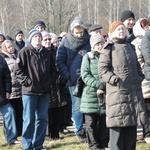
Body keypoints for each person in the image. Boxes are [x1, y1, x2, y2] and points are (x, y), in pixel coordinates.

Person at [98, 21, 148, 150]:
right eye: (118, 29)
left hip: (133, 94)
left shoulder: (130, 47)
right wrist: (115, 80)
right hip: (117, 95)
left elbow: (137, 65)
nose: (121, 31)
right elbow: (103, 70)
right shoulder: (108, 48)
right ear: (113, 32)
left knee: (131, 132)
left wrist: (139, 76)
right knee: (118, 134)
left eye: (123, 29)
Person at [14, 29, 56, 150]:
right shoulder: (24, 52)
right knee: (28, 119)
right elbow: (18, 71)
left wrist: (50, 81)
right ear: (31, 39)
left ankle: (38, 144)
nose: (38, 38)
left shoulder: (47, 53)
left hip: (44, 91)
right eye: (35, 36)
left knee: (42, 119)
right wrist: (28, 82)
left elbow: (53, 70)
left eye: (39, 36)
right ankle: (27, 145)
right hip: (30, 92)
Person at [56, 17, 91, 142]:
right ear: (72, 31)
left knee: (89, 105)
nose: (79, 35)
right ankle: (79, 129)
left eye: (81, 32)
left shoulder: (90, 40)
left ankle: (90, 129)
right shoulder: (65, 42)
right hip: (73, 79)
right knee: (77, 106)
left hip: (89, 79)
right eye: (77, 33)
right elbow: (60, 61)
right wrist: (68, 75)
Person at [80, 34, 109, 150]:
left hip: (105, 94)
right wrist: (98, 84)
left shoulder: (108, 56)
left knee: (104, 122)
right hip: (90, 95)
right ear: (93, 45)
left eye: (102, 43)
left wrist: (105, 85)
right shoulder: (87, 57)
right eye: (97, 44)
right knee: (90, 123)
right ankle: (93, 145)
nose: (100, 46)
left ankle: (104, 143)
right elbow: (85, 74)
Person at [41, 31, 68, 139]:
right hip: (47, 84)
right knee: (47, 111)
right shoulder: (41, 52)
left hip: (59, 83)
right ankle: (47, 134)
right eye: (45, 39)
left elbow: (61, 63)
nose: (48, 41)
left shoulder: (56, 51)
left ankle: (55, 133)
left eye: (49, 39)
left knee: (58, 110)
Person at [1, 40, 23, 137]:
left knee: (14, 112)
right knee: (10, 113)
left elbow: (7, 76)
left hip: (16, 90)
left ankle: (15, 136)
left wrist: (7, 90)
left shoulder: (17, 56)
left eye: (12, 46)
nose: (11, 48)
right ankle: (9, 134)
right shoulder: (4, 59)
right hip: (11, 90)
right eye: (8, 47)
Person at [0, 53, 20, 145]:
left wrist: (8, 91)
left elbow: (7, 76)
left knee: (10, 112)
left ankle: (11, 139)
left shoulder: (1, 60)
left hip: (2, 96)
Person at [140, 20, 150, 144]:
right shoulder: (147, 37)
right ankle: (148, 133)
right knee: (147, 107)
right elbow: (147, 57)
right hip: (148, 75)